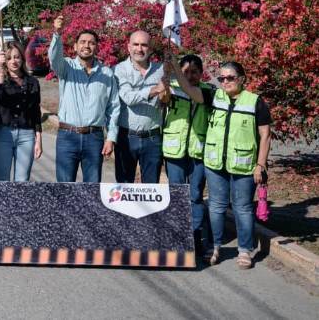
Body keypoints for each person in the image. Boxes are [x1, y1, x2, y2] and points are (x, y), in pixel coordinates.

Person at [168, 59, 271, 269]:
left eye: (230, 78)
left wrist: (261, 164)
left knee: (242, 207)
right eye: (222, 78)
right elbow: (188, 89)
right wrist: (175, 67)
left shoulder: (255, 101)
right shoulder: (214, 96)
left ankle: (245, 250)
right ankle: (214, 247)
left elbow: (265, 134)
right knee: (216, 207)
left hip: (243, 165)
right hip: (215, 163)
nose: (225, 82)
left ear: (241, 79)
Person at [49, 16, 119, 183]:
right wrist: (57, 34)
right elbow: (54, 58)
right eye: (82, 42)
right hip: (67, 137)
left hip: (94, 138)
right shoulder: (65, 67)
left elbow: (113, 107)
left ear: (96, 47)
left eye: (91, 42)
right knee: (65, 190)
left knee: (92, 191)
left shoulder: (107, 74)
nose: (86, 45)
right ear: (75, 46)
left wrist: (111, 138)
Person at [160, 54, 214, 260]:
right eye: (185, 72)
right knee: (176, 196)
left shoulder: (209, 91)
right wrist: (167, 75)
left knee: (195, 196)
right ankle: (177, 237)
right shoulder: (172, 87)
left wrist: (176, 68)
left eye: (194, 72)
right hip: (175, 151)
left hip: (198, 152)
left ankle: (197, 239)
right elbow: (162, 99)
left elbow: (194, 94)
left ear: (201, 73)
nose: (190, 75)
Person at [113, 31, 168, 183]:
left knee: (151, 188)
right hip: (126, 137)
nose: (139, 49)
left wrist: (166, 92)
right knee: (124, 187)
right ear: (128, 47)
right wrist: (155, 89)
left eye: (144, 45)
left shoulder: (162, 70)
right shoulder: (119, 70)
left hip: (153, 138)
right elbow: (129, 98)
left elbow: (167, 98)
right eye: (136, 44)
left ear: (150, 49)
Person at [0, 42, 43, 182]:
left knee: (22, 181)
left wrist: (39, 140)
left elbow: (36, 111)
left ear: (22, 58)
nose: (14, 61)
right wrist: (0, 68)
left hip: (26, 136)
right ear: (4, 60)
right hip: (3, 134)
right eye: (9, 58)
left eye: (17, 57)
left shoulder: (32, 81)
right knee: (2, 181)